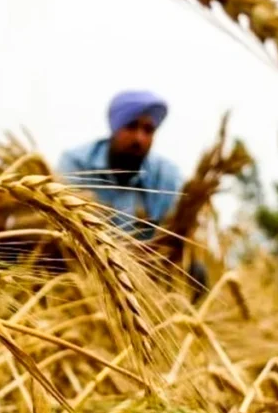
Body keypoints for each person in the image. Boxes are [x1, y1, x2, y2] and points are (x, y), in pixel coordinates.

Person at [56, 90, 208, 290]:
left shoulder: (166, 176)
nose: (139, 138)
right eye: (131, 126)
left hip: (147, 269)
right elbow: (63, 227)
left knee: (197, 274)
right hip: (84, 262)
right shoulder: (76, 164)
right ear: (114, 127)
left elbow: (172, 234)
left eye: (148, 130)